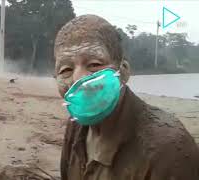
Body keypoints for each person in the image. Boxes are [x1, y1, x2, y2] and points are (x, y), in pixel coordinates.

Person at [54, 14, 199, 180]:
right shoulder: (76, 127)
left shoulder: (168, 149)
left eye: (94, 65)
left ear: (123, 71)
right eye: (66, 70)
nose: (78, 80)